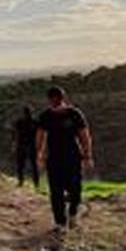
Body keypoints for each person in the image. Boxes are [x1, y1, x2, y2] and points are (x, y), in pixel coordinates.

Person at [36, 87, 94, 233]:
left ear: (63, 98)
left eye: (58, 98)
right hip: (54, 158)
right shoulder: (45, 116)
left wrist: (88, 156)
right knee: (56, 192)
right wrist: (39, 155)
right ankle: (60, 223)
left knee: (75, 190)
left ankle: (73, 213)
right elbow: (40, 136)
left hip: (73, 157)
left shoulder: (74, 114)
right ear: (49, 100)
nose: (55, 101)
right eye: (52, 98)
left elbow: (84, 136)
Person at [13, 106, 39, 187]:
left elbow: (15, 134)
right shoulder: (33, 122)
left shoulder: (33, 122)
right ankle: (33, 182)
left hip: (27, 145)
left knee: (27, 165)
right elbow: (16, 134)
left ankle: (25, 181)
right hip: (27, 145)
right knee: (28, 165)